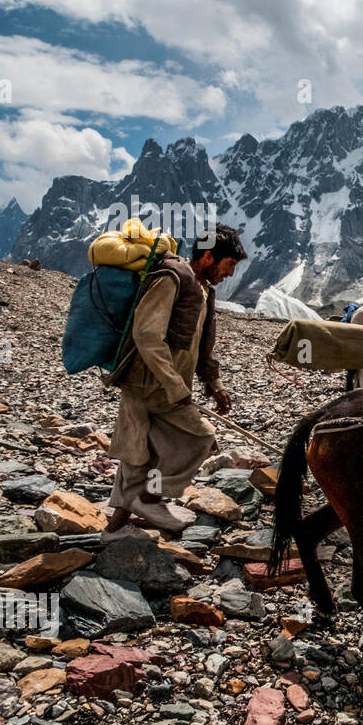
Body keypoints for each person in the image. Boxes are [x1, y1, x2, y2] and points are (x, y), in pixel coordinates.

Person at [102, 225, 246, 538]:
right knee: (201, 438)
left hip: (163, 387)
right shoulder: (172, 279)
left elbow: (202, 347)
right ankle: (150, 498)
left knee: (139, 455)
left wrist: (215, 385)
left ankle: (114, 529)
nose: (230, 273)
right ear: (208, 256)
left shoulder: (203, 290)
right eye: (229, 264)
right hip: (151, 385)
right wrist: (175, 386)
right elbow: (147, 334)